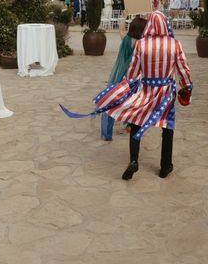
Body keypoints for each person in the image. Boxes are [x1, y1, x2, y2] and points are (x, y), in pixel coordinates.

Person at [60, 11, 193, 180]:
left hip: (145, 90)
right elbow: (183, 70)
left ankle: (134, 161)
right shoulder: (175, 44)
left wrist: (124, 89)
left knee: (136, 123)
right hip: (166, 93)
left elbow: (132, 73)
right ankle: (165, 166)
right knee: (167, 128)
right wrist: (187, 87)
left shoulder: (141, 45)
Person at [100, 15, 147, 141]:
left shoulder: (126, 39)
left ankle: (107, 133)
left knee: (113, 102)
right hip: (136, 78)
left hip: (122, 76)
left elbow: (121, 29)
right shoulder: (143, 43)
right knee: (134, 103)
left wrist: (124, 16)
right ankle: (130, 125)